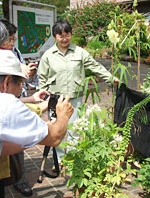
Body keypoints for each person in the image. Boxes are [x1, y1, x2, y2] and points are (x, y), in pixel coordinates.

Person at [0, 49, 73, 198]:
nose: (21, 89)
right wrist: (63, 116)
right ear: (7, 81)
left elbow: (0, 148)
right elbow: (54, 137)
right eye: (20, 83)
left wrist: (35, 134)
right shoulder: (2, 103)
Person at [37, 19, 119, 166]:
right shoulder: (48, 55)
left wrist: (111, 78)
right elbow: (42, 77)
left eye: (67, 35)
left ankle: (74, 158)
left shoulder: (80, 52)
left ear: (71, 35)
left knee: (74, 129)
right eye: (60, 36)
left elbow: (95, 66)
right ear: (54, 36)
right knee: (57, 130)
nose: (64, 39)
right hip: (55, 98)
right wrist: (43, 97)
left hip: (75, 97)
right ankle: (60, 161)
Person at [0, 18, 36, 197]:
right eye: (9, 39)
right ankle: (3, 180)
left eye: (13, 39)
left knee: (17, 142)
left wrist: (27, 72)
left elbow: (23, 78)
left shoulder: (15, 51)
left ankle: (18, 178)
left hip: (18, 100)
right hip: (4, 105)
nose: (12, 43)